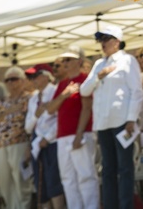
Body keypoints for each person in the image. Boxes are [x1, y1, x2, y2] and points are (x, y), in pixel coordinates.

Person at [80, 25, 143, 209]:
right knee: (107, 169)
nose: (103, 44)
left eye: (106, 39)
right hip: (103, 123)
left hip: (122, 121)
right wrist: (98, 77)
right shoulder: (99, 65)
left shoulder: (128, 61)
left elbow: (136, 92)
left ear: (117, 42)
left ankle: (126, 206)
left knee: (125, 168)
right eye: (101, 40)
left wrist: (131, 119)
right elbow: (84, 90)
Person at [45, 47, 97, 209]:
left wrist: (79, 134)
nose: (64, 63)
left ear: (79, 61)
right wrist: (64, 95)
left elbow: (87, 108)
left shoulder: (86, 79)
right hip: (62, 136)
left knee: (85, 175)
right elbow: (50, 109)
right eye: (63, 60)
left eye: (68, 60)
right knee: (67, 178)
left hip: (81, 133)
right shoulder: (62, 85)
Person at [0, 66, 32, 209]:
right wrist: (6, 113)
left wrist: (30, 146)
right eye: (7, 80)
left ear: (22, 81)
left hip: (20, 143)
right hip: (2, 145)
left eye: (14, 79)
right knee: (4, 183)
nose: (10, 83)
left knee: (20, 181)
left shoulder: (29, 98)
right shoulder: (2, 102)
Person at [25, 64, 64, 209]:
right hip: (37, 145)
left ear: (46, 76)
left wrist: (47, 138)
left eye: (35, 76)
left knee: (54, 182)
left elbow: (60, 119)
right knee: (41, 186)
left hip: (52, 143)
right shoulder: (33, 99)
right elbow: (28, 127)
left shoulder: (55, 92)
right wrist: (36, 115)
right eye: (31, 77)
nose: (32, 80)